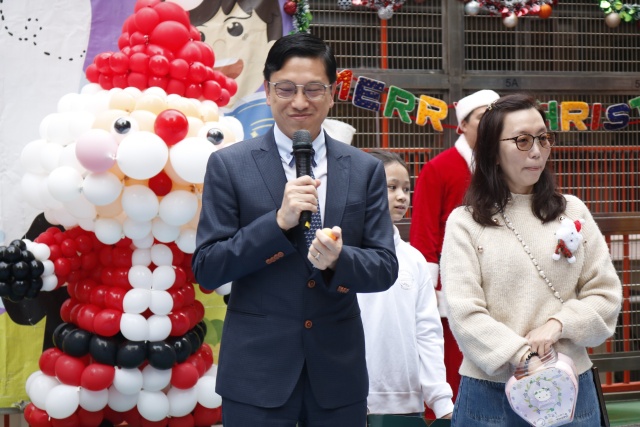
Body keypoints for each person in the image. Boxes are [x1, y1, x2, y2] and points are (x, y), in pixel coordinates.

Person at [192, 32, 399, 426]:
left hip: (337, 375)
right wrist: (277, 224)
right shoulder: (229, 165)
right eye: (286, 88)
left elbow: (385, 268)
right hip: (257, 375)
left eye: (313, 89)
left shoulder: (365, 169)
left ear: (332, 93)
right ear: (268, 91)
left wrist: (338, 259)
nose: (300, 102)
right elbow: (208, 268)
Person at [440, 93, 622, 426]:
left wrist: (558, 325)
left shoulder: (572, 211)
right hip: (490, 394)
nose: (536, 150)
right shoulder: (465, 222)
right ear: (492, 152)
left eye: (543, 138)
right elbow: (463, 312)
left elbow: (605, 295)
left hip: (570, 386)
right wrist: (524, 356)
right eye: (522, 141)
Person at [410, 89, 500, 404]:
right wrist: (430, 288)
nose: (490, 124)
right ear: (462, 125)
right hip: (450, 283)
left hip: (497, 279)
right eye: (482, 117)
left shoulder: (505, 167)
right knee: (452, 364)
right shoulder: (439, 167)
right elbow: (423, 231)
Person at [358, 150, 454, 420]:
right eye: (391, 187)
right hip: (347, 401)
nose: (402, 196)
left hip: (406, 403)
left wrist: (441, 400)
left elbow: (428, 332)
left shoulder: (414, 259)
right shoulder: (342, 254)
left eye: (406, 188)